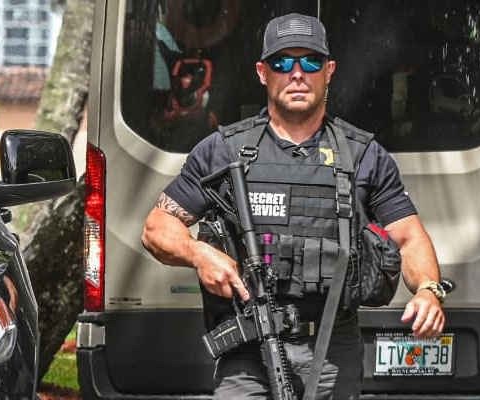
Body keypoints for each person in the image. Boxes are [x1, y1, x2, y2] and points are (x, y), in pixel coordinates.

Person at [141, 13, 445, 400]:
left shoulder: (363, 156)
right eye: (282, 62)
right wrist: (198, 253)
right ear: (263, 72)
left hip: (332, 349)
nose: (297, 73)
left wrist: (429, 292)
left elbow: (410, 238)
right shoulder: (226, 151)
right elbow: (156, 228)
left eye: (311, 61)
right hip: (247, 349)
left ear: (329, 71)